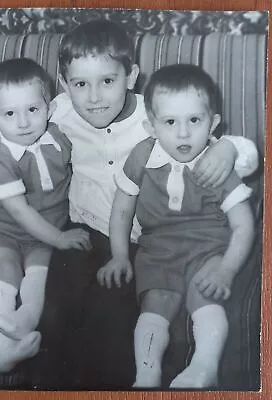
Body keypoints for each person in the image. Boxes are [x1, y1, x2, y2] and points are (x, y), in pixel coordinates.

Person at [0, 20, 258, 388]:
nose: (94, 97)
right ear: (64, 86)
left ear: (131, 77)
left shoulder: (156, 114)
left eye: (107, 81)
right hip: (77, 232)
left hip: (138, 243)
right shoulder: (55, 111)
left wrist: (228, 146)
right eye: (80, 84)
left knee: (114, 316)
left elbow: (238, 153)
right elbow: (11, 121)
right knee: (56, 306)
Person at [97, 64, 255, 389]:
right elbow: (122, 210)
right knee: (155, 303)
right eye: (170, 122)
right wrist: (119, 256)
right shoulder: (141, 156)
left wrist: (226, 269)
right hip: (158, 252)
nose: (183, 133)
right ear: (151, 126)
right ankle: (146, 374)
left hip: (209, 249)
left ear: (212, 123)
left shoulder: (217, 163)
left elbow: (243, 225)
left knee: (204, 296)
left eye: (194, 121)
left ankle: (204, 367)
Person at [0, 58, 91, 373]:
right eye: (10, 114)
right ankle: (2, 352)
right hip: (5, 232)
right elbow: (20, 211)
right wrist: (60, 238)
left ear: (49, 108)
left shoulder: (57, 135)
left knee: (39, 275)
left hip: (47, 231)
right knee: (6, 271)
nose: (24, 122)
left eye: (33, 109)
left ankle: (23, 323)